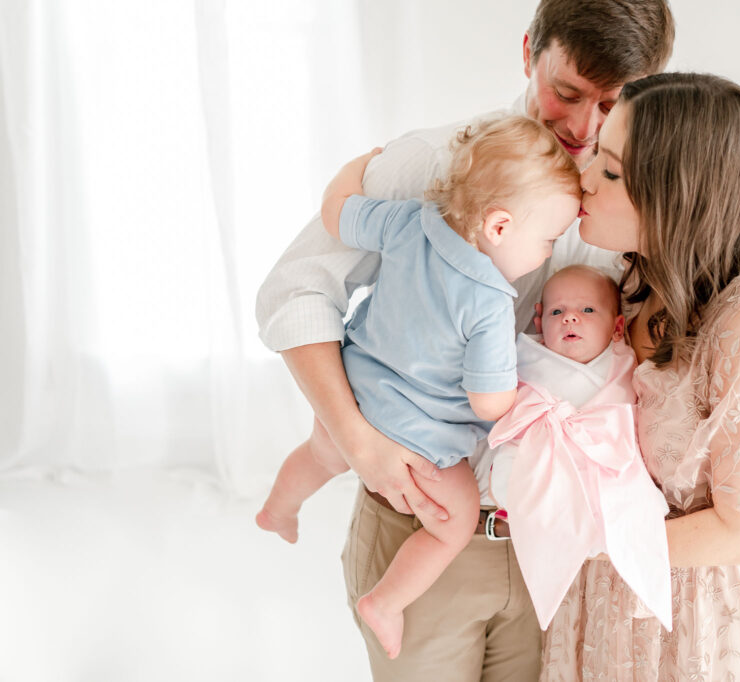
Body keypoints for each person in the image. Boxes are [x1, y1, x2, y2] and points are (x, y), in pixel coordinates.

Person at [256, 2, 676, 678]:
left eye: (611, 104)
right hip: (423, 531)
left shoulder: (638, 205)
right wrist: (361, 446)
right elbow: (295, 292)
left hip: (560, 552)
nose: (583, 127)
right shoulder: (434, 163)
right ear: (527, 53)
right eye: (565, 93)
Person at [540, 72, 740, 681]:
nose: (584, 179)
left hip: (705, 625)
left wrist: (576, 536)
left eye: (610, 171)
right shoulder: (635, 279)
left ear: (675, 195)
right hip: (616, 598)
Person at [256, 115, 581, 659]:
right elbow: (489, 401)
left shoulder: (411, 221)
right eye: (548, 239)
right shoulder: (490, 303)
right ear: (499, 227)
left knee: (321, 451)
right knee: (450, 522)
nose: (548, 252)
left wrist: (359, 165)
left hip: (356, 393)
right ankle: (384, 602)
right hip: (417, 433)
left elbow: (337, 213)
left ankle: (279, 507)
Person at [486, 264, 673, 633]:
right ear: (539, 323)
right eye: (557, 312)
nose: (570, 317)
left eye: (587, 310)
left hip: (605, 461)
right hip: (541, 458)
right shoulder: (523, 360)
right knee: (515, 474)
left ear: (618, 327)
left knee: (632, 498)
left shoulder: (625, 363)